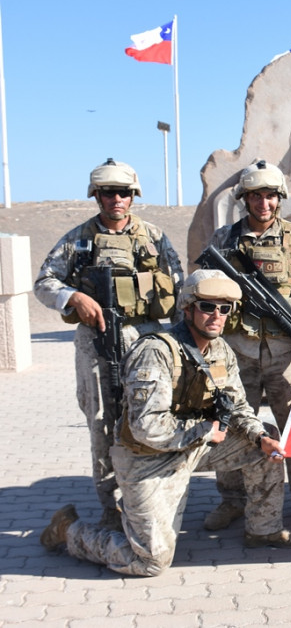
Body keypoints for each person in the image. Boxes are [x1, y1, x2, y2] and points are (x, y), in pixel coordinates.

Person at [40, 270, 291, 576]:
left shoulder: (220, 351)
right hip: (148, 458)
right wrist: (205, 430)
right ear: (187, 307)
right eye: (207, 307)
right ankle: (68, 530)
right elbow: (147, 427)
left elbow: (238, 406)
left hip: (194, 445)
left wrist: (259, 436)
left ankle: (263, 530)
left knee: (265, 441)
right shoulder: (156, 351)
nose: (216, 316)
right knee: (149, 561)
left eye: (224, 308)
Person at [34, 158, 184, 530]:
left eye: (124, 192)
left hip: (146, 339)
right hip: (96, 341)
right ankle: (111, 506)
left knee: (148, 414)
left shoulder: (154, 237)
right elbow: (44, 282)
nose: (117, 199)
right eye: (108, 193)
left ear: (133, 197)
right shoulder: (79, 240)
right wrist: (73, 298)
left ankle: (149, 495)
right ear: (96, 196)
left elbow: (180, 288)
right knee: (102, 423)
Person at [204, 159, 291, 532]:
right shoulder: (224, 239)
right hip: (235, 352)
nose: (264, 204)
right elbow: (206, 287)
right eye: (256, 196)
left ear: (280, 199)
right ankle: (232, 500)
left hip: (285, 354)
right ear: (245, 199)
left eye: (271, 196)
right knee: (229, 423)